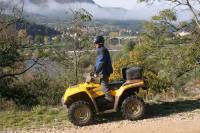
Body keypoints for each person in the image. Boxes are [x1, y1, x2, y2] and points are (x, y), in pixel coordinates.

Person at [94, 36, 114, 102]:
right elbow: (98, 62)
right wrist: (94, 70)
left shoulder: (102, 50)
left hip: (104, 72)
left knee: (104, 86)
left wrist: (96, 72)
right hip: (102, 72)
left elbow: (102, 62)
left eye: (96, 44)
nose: (95, 45)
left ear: (99, 43)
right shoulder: (101, 50)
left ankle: (109, 99)